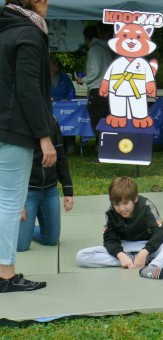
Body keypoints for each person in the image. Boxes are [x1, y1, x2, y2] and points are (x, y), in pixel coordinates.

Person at [0, 0, 56, 293]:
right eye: (44, 0)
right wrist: (44, 136)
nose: (48, 4)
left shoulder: (5, 29)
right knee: (10, 204)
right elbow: (28, 88)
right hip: (14, 129)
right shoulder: (29, 34)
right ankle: (5, 274)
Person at [76, 177, 163, 280]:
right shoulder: (111, 212)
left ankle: (153, 266)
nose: (122, 208)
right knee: (81, 256)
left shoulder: (146, 206)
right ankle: (132, 261)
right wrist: (121, 255)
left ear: (135, 198)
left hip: (147, 247)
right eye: (116, 204)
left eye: (126, 203)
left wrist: (144, 252)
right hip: (124, 248)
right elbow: (109, 239)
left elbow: (160, 234)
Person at [18, 114, 74, 252]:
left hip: (49, 190)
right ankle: (10, 226)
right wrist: (17, 201)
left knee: (51, 240)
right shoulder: (16, 122)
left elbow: (60, 155)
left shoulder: (52, 120)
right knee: (21, 246)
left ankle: (24, 228)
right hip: (26, 192)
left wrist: (68, 190)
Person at [76, 23, 112, 155]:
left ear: (87, 38)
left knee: (98, 121)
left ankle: (103, 150)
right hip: (108, 90)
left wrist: (82, 79)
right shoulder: (106, 49)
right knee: (106, 120)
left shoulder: (94, 50)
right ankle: (107, 148)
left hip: (97, 90)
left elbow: (94, 72)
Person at [49, 56, 77, 154]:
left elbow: (71, 90)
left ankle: (70, 146)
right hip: (49, 107)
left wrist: (68, 98)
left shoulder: (64, 76)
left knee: (67, 123)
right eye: (53, 62)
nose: (57, 64)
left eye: (57, 62)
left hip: (64, 106)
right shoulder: (43, 77)